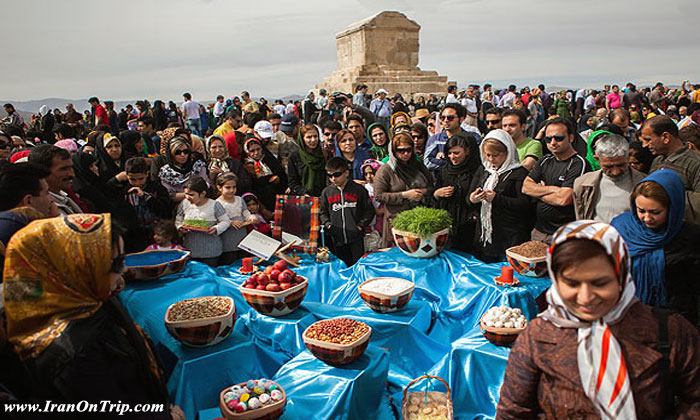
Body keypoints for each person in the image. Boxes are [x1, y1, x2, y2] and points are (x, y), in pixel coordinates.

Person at [496, 220, 700, 420]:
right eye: (571, 283)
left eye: (600, 283)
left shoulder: (667, 331)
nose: (585, 297)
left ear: (621, 276)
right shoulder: (539, 336)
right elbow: (513, 411)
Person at [3, 213, 183, 420]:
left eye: (122, 260)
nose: (123, 269)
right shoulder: (72, 352)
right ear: (74, 269)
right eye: (115, 264)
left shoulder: (89, 302)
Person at [612, 170, 700, 327]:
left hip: (678, 321)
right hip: (629, 318)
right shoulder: (621, 229)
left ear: (673, 208)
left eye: (655, 212)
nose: (647, 218)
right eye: (641, 211)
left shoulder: (690, 237)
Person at [522, 118, 590, 243]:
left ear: (571, 138)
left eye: (559, 138)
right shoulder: (544, 160)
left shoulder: (578, 163)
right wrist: (554, 190)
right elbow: (525, 187)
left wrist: (538, 192)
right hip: (540, 231)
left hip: (565, 234)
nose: (553, 142)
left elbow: (564, 199)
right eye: (548, 139)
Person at [469, 130, 533, 262]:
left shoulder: (519, 173)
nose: (491, 159)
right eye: (488, 155)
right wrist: (473, 198)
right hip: (485, 235)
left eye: (496, 155)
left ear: (507, 153)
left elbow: (524, 204)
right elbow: (469, 197)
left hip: (509, 236)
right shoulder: (484, 170)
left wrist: (496, 198)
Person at [374, 133, 433, 247]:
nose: (405, 154)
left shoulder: (418, 165)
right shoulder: (386, 170)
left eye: (408, 150)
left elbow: (431, 186)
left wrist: (423, 192)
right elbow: (379, 195)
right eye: (401, 151)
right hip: (397, 220)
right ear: (393, 151)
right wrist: (405, 195)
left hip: (420, 218)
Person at [573, 133, 646, 222]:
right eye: (608, 167)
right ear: (597, 159)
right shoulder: (583, 184)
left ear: (628, 158)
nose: (615, 172)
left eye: (620, 165)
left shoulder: (644, 183)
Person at [641, 115, 700, 224]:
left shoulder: (695, 164)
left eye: (648, 140)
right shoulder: (657, 161)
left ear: (666, 137)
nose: (644, 145)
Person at [319, 157, 375, 267]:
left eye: (337, 175)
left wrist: (360, 225)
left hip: (356, 238)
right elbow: (322, 212)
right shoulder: (327, 192)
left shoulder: (359, 190)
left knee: (357, 265)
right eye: (330, 176)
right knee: (341, 266)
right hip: (336, 238)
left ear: (346, 173)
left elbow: (369, 210)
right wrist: (328, 224)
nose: (333, 179)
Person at [431, 132, 481, 253]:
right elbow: (433, 196)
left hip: (469, 226)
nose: (452, 157)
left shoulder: (477, 171)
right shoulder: (445, 170)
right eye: (449, 153)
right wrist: (437, 193)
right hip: (448, 225)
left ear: (468, 151)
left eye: (456, 153)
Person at [175, 176, 229, 266]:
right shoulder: (184, 203)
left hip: (210, 251)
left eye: (191, 195)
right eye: (186, 194)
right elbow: (178, 219)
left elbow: (226, 221)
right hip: (190, 250)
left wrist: (216, 228)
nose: (188, 197)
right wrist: (180, 227)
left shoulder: (214, 205)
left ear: (203, 193)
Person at [123, 157, 172, 252]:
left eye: (141, 179)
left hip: (156, 235)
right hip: (134, 238)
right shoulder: (124, 191)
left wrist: (146, 197)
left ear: (147, 174)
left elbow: (165, 210)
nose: (137, 183)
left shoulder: (157, 189)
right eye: (132, 179)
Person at [28, 145, 84, 215]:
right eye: (64, 169)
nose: (71, 174)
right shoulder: (42, 207)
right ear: (42, 171)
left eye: (71, 167)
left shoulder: (65, 197)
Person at [216, 172, 256, 265]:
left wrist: (251, 217)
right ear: (219, 188)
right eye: (228, 187)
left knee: (244, 259)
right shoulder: (217, 203)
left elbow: (245, 213)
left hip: (242, 234)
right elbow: (218, 220)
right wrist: (230, 222)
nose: (232, 190)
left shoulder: (239, 199)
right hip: (228, 237)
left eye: (234, 187)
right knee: (230, 259)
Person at [158, 135, 208, 202]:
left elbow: (205, 184)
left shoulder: (198, 165)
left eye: (185, 151)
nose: (182, 155)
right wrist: (192, 194)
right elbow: (171, 195)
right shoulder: (165, 172)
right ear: (171, 153)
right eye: (178, 152)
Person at [242, 138, 286, 211]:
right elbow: (253, 183)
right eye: (252, 151)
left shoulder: (269, 159)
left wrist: (278, 178)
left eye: (258, 149)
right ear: (247, 152)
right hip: (260, 199)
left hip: (276, 194)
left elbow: (281, 174)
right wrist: (269, 179)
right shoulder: (247, 165)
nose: (256, 153)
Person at [424, 103, 468, 171]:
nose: (446, 120)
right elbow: (427, 163)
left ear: (461, 119)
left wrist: (440, 160)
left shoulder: (471, 138)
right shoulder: (434, 140)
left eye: (450, 118)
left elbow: (474, 161)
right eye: (442, 118)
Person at [287, 124, 327, 197]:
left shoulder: (326, 154)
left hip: (324, 197)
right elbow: (293, 182)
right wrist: (304, 193)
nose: (313, 140)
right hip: (304, 198)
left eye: (315, 136)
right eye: (309, 137)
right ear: (302, 139)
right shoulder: (294, 156)